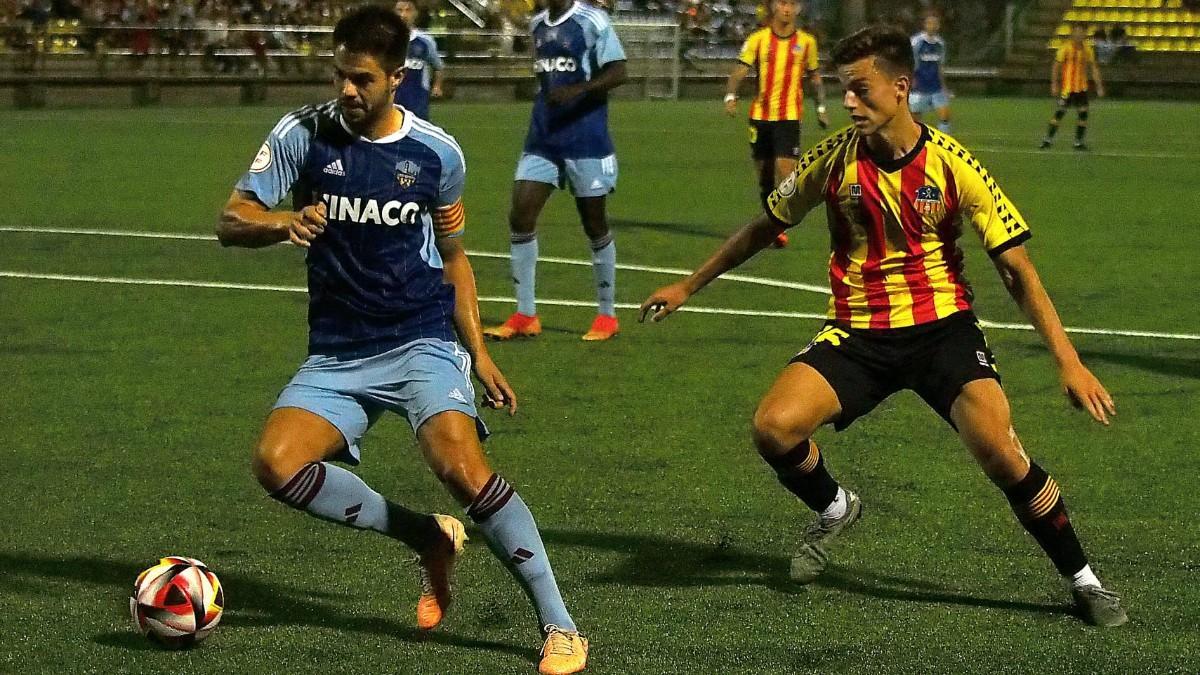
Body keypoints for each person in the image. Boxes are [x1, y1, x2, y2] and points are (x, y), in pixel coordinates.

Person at [641, 25, 1127, 628]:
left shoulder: (954, 166)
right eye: (843, 90)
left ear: (900, 89)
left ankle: (1084, 580)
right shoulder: (832, 159)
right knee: (773, 428)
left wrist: (1069, 362)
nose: (849, 102)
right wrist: (689, 285)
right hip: (858, 334)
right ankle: (837, 506)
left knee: (1003, 456)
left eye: (860, 90)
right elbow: (764, 226)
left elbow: (1017, 271)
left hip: (941, 331)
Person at [215, 7, 589, 673]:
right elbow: (231, 217)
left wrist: (478, 352)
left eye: (361, 79)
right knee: (276, 464)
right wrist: (279, 222)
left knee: (459, 465)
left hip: (419, 336)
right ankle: (426, 537)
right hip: (337, 349)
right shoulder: (302, 134)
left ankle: (561, 625)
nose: (347, 91)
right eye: (339, 76)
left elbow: (454, 257)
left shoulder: (437, 154)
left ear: (396, 76)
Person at [483, 0, 627, 342]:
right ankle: (525, 314)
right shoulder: (537, 25)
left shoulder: (592, 20)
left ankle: (606, 316)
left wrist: (580, 89)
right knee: (520, 216)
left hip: (586, 139)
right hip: (543, 137)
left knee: (594, 224)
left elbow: (619, 71)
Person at [723, 0, 828, 248]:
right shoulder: (758, 39)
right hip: (760, 116)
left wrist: (821, 107)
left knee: (786, 171)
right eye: (782, 3)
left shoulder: (806, 43)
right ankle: (770, 223)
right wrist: (731, 95)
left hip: (789, 117)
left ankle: (779, 225)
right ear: (774, 7)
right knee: (764, 176)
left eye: (792, 4)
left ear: (798, 9)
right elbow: (740, 69)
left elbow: (814, 77)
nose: (787, 8)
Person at [1041, 23, 1104, 151]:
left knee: (1083, 114)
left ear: (1085, 34)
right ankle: (1047, 140)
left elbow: (1094, 68)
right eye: (1077, 32)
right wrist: (1054, 84)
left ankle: (1078, 142)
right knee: (1060, 113)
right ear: (1072, 33)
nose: (1079, 35)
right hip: (1067, 88)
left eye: (1082, 32)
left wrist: (1099, 86)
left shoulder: (1087, 50)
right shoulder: (1065, 48)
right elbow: (1056, 67)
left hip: (1081, 88)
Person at [393, 0, 445, 120]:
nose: (403, 15)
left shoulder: (425, 41)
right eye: (400, 10)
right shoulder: (386, 40)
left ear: (415, 13)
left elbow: (438, 67)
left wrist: (437, 86)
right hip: (391, 100)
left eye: (408, 10)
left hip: (418, 99)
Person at [909, 13, 951, 133]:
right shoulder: (916, 42)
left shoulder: (940, 43)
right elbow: (909, 62)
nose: (932, 26)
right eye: (930, 23)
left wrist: (944, 87)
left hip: (936, 86)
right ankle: (917, 142)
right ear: (925, 25)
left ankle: (943, 141)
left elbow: (940, 66)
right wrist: (911, 80)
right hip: (919, 85)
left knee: (945, 116)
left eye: (935, 23)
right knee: (915, 119)